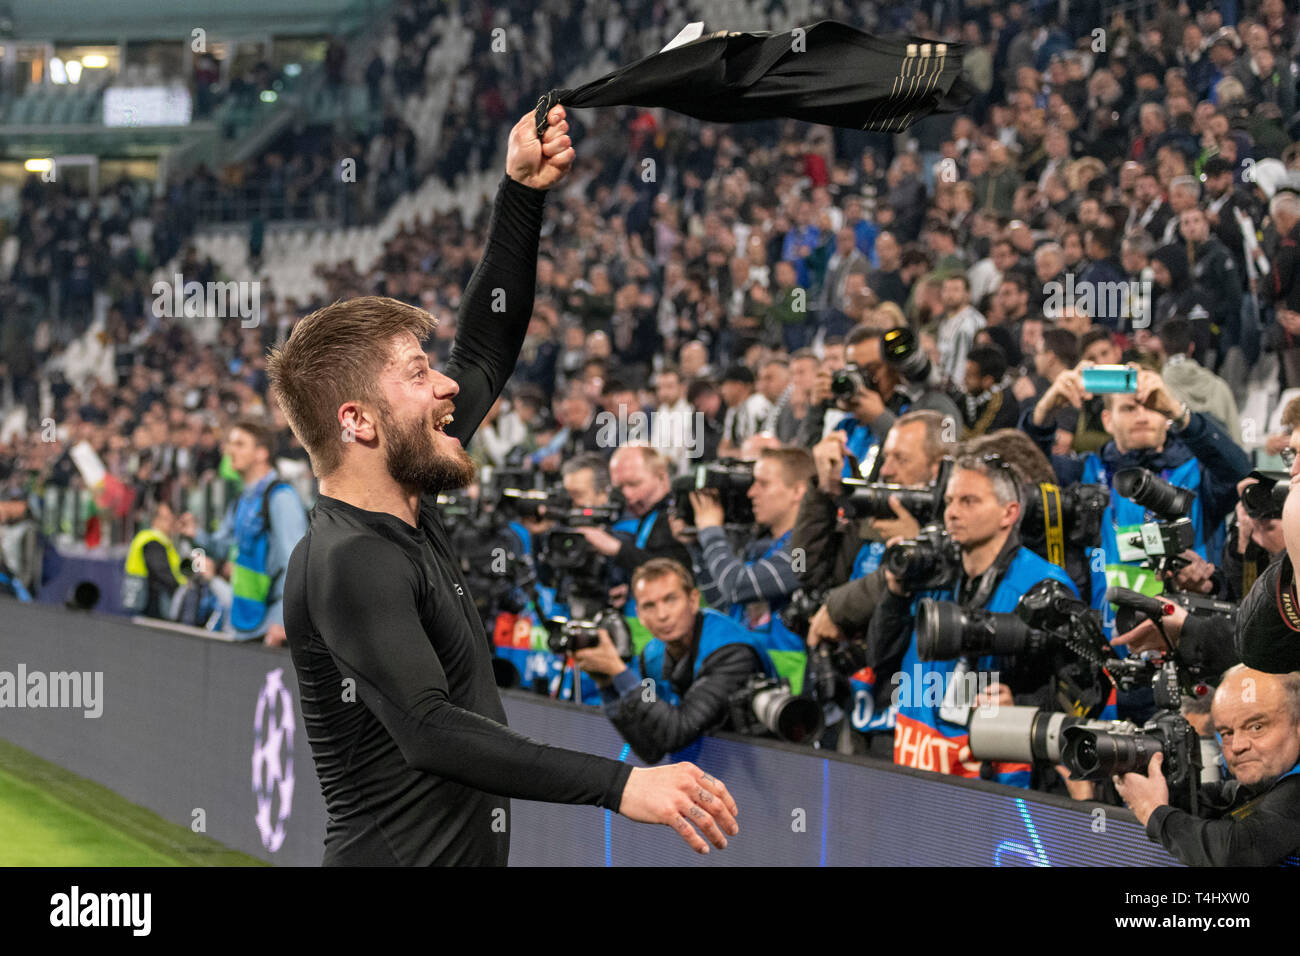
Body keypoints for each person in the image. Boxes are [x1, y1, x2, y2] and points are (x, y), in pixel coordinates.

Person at [267, 106, 739, 865]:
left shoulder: (405, 499)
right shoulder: (349, 559)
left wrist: (521, 190)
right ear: (358, 421)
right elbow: (430, 729)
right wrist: (623, 787)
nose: (448, 385)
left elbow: (486, 345)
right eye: (419, 374)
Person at [865, 454, 1079, 784]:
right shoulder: (929, 567)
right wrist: (895, 593)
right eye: (950, 500)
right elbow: (881, 661)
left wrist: (1024, 703)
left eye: (969, 501)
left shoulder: (1043, 585)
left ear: (1009, 513)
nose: (952, 512)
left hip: (996, 783)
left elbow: (1079, 691)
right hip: (921, 764)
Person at [575, 558, 775, 765]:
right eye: (649, 606)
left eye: (670, 600)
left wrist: (619, 672)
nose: (662, 615)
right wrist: (607, 685)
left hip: (769, 772)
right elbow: (652, 749)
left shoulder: (732, 651)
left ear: (693, 600)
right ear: (640, 615)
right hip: (707, 774)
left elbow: (678, 733)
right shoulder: (652, 655)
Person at [1114, 665, 1300, 866]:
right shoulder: (1269, 781)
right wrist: (1165, 791)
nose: (1237, 746)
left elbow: (1236, 851)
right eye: (1227, 733)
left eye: (1256, 727)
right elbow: (1219, 799)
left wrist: (1152, 810)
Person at [688, 447, 815, 690]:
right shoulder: (766, 547)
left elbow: (737, 586)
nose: (750, 492)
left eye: (763, 484)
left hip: (790, 690)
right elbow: (722, 600)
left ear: (798, 491)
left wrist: (711, 532)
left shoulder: (804, 550)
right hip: (749, 678)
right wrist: (696, 546)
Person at [178, 417, 308, 645]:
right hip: (244, 622)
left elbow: (297, 565)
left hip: (272, 629)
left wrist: (283, 622)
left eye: (239, 444)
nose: (229, 450)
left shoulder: (280, 498)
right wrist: (195, 534)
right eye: (229, 443)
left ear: (261, 453)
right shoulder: (241, 500)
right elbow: (221, 546)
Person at [121, 499, 188, 620]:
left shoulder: (162, 540)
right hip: (152, 602)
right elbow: (160, 571)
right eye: (167, 519)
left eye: (172, 518)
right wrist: (182, 587)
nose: (171, 523)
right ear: (155, 519)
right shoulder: (153, 541)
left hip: (143, 600)